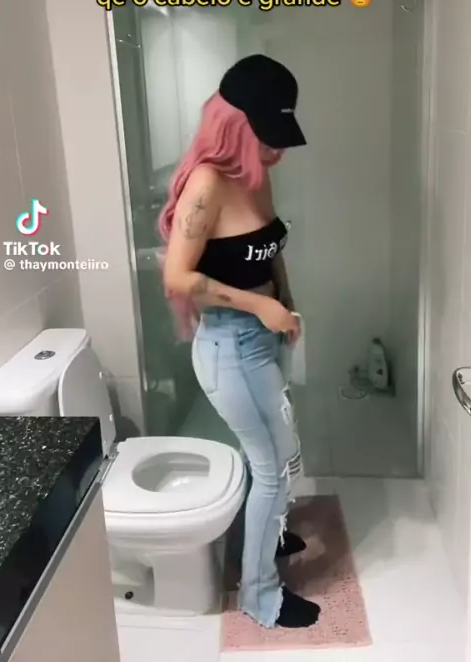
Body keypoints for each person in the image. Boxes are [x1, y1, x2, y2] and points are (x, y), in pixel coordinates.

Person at [159, 54, 320, 630]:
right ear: (233, 124)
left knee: (274, 456)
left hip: (263, 341)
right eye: (266, 135)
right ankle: (259, 595)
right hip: (229, 348)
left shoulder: (254, 174)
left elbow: (269, 246)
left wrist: (286, 304)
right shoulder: (206, 184)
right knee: (273, 467)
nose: (277, 150)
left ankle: (265, 539)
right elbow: (178, 277)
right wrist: (261, 306)